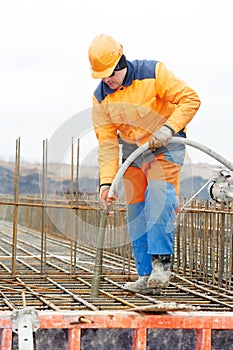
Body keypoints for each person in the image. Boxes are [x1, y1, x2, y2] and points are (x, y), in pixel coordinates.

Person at [88, 33, 201, 293]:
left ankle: (161, 267)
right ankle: (145, 275)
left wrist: (169, 127)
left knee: (158, 198)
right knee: (136, 210)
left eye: (111, 74)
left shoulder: (154, 72)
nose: (107, 80)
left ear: (121, 62)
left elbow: (191, 99)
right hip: (133, 153)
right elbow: (106, 143)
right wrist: (107, 182)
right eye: (102, 76)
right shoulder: (100, 98)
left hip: (166, 146)